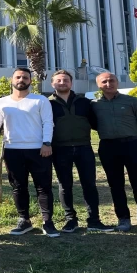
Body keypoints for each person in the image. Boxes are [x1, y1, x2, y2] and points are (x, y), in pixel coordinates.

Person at [0, 67, 59, 238]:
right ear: (12, 80)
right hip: (12, 150)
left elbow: (48, 122)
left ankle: (47, 222)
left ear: (30, 80)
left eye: (25, 77)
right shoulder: (1, 102)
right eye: (18, 77)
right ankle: (24, 220)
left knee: (43, 187)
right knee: (18, 187)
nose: (21, 80)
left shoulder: (40, 100)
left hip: (39, 150)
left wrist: (46, 143)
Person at [91, 72, 137, 236]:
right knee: (115, 185)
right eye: (104, 82)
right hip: (108, 147)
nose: (108, 84)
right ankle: (123, 218)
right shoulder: (94, 105)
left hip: (132, 145)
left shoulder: (131, 101)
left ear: (117, 82)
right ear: (98, 85)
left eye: (111, 80)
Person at [48, 70, 113, 233]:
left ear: (71, 83)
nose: (62, 83)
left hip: (84, 147)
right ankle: (70, 220)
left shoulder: (85, 102)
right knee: (65, 185)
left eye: (65, 80)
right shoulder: (47, 104)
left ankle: (94, 220)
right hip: (59, 149)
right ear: (52, 84)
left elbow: (96, 123)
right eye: (58, 80)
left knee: (89, 184)